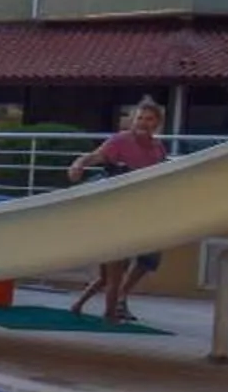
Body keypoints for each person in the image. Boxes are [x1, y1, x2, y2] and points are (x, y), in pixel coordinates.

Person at [66, 97, 172, 323]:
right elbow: (96, 156)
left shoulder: (158, 148)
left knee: (148, 258)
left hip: (144, 212)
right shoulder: (121, 141)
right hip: (117, 211)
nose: (143, 123)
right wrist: (79, 164)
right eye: (140, 118)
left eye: (149, 119)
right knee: (115, 267)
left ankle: (88, 304)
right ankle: (111, 312)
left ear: (158, 123)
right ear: (133, 121)